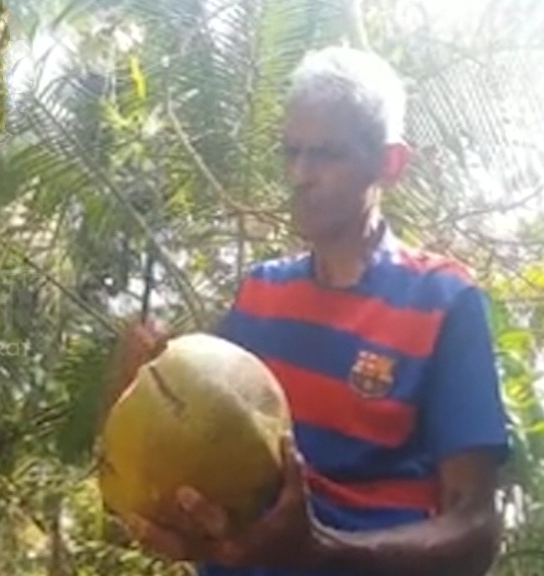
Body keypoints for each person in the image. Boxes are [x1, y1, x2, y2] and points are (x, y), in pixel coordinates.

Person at [115, 46, 511, 576]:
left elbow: (476, 533)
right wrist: (133, 389)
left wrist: (322, 553)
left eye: (327, 154)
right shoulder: (260, 293)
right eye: (291, 152)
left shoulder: (444, 300)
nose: (301, 174)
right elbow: (186, 462)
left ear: (390, 164)